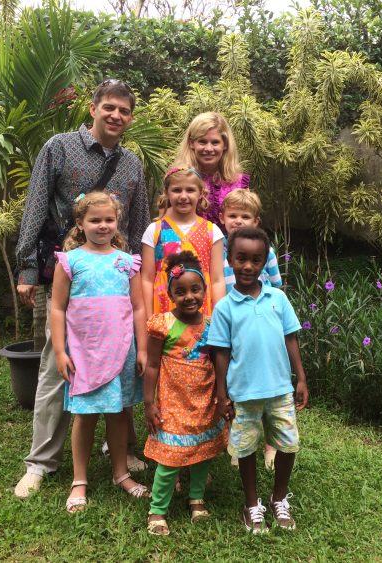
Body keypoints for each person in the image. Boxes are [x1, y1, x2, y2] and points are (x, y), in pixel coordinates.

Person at [14, 79, 149, 499]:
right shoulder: (59, 147)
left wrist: (139, 275)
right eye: (109, 107)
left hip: (116, 280)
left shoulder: (132, 165)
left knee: (121, 362)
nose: (116, 115)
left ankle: (120, 450)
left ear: (130, 118)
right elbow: (36, 206)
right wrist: (27, 267)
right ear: (93, 108)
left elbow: (139, 224)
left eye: (124, 111)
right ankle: (41, 461)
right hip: (66, 273)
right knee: (58, 367)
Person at [51, 192, 150, 512]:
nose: (103, 225)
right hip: (85, 353)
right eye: (95, 220)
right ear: (80, 223)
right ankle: (79, 480)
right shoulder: (70, 262)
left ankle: (121, 473)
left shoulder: (127, 262)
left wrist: (142, 348)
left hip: (121, 350)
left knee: (119, 413)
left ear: (117, 222)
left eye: (109, 219)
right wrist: (59, 351)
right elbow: (57, 308)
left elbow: (138, 308)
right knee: (85, 415)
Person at [208, 227, 309, 534]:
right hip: (244, 393)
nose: (248, 266)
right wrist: (222, 394)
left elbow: (290, 338)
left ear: (265, 261)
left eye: (256, 259)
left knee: (288, 445)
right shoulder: (224, 307)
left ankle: (279, 498)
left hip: (280, 390)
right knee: (245, 449)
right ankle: (252, 504)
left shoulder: (278, 298)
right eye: (241, 259)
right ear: (230, 259)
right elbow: (221, 354)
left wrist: (301, 378)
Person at [142, 251, 227, 536]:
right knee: (170, 459)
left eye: (195, 289)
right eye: (180, 291)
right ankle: (157, 509)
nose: (189, 296)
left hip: (204, 401)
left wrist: (222, 397)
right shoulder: (162, 324)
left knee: (202, 453)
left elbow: (218, 362)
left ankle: (196, 498)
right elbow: (152, 365)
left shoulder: (212, 325)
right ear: (170, 295)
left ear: (205, 290)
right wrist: (149, 402)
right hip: (173, 402)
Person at [219, 189, 282, 470]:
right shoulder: (217, 249)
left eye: (245, 216)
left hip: (260, 323)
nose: (238, 221)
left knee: (267, 385)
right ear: (222, 217)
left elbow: (276, 286)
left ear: (256, 221)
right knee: (235, 384)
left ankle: (270, 444)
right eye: (233, 215)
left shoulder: (266, 251)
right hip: (232, 323)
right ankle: (239, 443)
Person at [140, 167, 225, 318]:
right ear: (166, 192)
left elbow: (217, 280)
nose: (183, 196)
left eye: (190, 190)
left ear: (201, 193)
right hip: (164, 311)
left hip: (201, 311)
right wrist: (149, 317)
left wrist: (219, 319)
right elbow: (147, 278)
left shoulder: (212, 231)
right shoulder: (154, 230)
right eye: (177, 190)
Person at [173, 112, 249, 229]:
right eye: (202, 141)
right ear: (191, 143)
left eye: (215, 142)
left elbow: (247, 225)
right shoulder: (178, 179)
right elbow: (166, 222)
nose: (209, 148)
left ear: (225, 145)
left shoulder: (239, 183)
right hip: (186, 240)